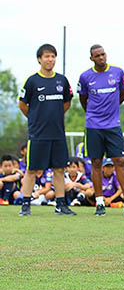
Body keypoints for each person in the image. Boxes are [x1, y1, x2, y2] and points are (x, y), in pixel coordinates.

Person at [77, 44, 124, 217]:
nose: (101, 58)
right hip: (93, 126)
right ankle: (99, 203)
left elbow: (123, 94)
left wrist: (110, 111)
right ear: (91, 58)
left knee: (120, 161)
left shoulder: (118, 72)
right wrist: (94, 113)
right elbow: (83, 99)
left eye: (103, 54)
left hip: (113, 125)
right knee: (96, 163)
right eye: (97, 56)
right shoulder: (85, 77)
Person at [17, 44, 75, 216]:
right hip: (38, 134)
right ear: (39, 59)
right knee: (32, 169)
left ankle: (60, 205)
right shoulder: (32, 81)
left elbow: (67, 103)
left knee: (59, 169)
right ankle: (25, 204)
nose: (50, 60)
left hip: (57, 133)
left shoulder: (62, 80)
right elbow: (22, 104)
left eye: (53, 56)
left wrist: (53, 117)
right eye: (47, 56)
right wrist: (36, 118)